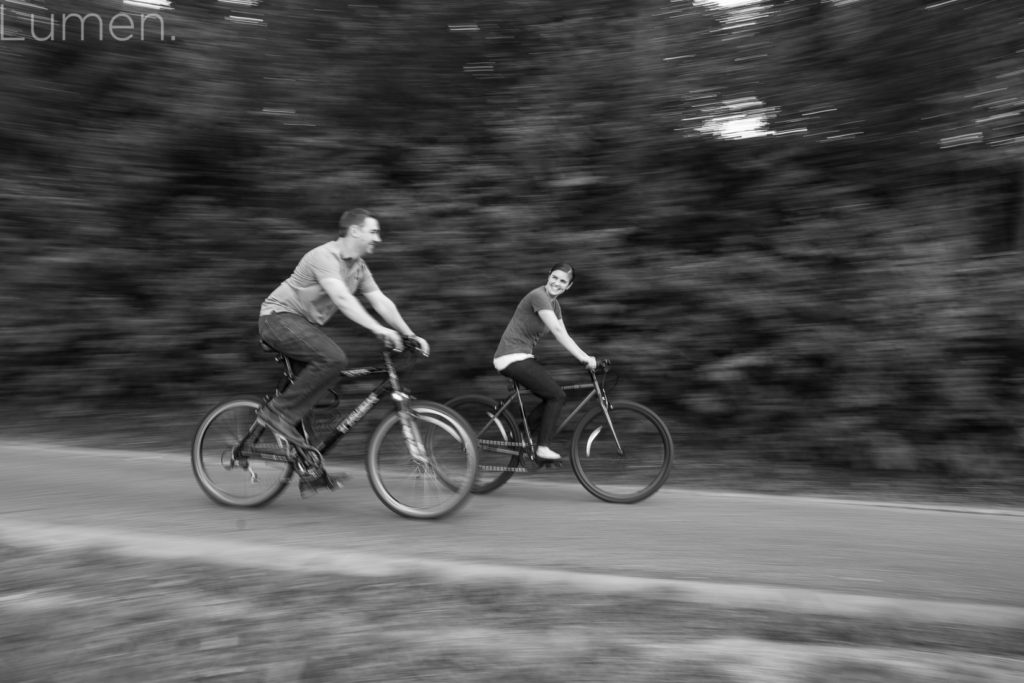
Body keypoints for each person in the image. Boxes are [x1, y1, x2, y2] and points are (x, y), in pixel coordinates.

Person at [257, 208, 428, 462]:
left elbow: (381, 301)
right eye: (374, 232)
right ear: (355, 231)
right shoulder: (324, 256)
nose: (378, 239)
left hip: (301, 326)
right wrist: (378, 329)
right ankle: (276, 414)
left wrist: (410, 335)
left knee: (319, 383)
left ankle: (307, 465)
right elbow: (341, 298)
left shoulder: (359, 268)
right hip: (277, 318)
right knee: (333, 358)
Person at [492, 263, 597, 461]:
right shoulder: (538, 296)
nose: (557, 283)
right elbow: (557, 332)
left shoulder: (554, 305)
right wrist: (584, 358)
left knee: (554, 396)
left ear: (569, 287)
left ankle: (520, 435)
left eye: (563, 281)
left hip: (521, 356)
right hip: (510, 355)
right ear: (548, 275)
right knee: (556, 396)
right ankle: (542, 448)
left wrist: (586, 356)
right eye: (555, 277)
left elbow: (565, 334)